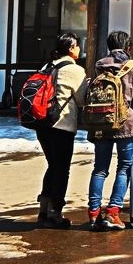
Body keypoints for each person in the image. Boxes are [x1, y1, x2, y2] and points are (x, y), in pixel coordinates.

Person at [87, 30, 133, 231]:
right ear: (128, 47)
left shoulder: (99, 66)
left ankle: (94, 213)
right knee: (124, 168)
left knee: (99, 169)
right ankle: (113, 212)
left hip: (101, 123)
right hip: (126, 123)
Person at [36, 32, 88, 228]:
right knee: (61, 169)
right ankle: (55, 213)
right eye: (77, 46)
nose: (79, 49)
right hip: (62, 125)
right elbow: (82, 100)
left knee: (52, 165)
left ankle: (43, 211)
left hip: (42, 124)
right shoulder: (75, 70)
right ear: (70, 48)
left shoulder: (47, 66)